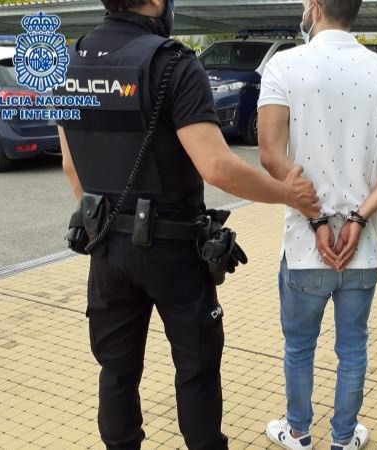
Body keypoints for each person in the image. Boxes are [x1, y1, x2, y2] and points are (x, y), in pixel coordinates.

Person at [57, 0, 320, 449]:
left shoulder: (71, 63)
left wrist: (106, 223)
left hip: (106, 247)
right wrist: (287, 193)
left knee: (116, 370)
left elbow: (71, 167)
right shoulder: (173, 63)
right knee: (196, 368)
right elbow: (217, 166)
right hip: (173, 250)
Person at [256, 0, 377, 448]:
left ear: (314, 7)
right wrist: (358, 218)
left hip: (303, 245)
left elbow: (270, 154)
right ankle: (344, 439)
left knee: (299, 347)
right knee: (352, 349)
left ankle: (298, 432)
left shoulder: (283, 67)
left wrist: (315, 219)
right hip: (361, 248)